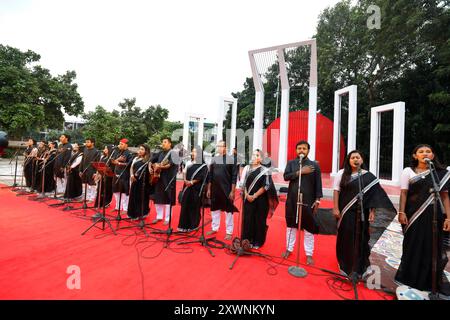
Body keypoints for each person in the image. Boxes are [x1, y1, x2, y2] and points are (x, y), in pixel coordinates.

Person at [395, 144, 450, 294]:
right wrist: (401, 212)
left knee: (432, 246)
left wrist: (448, 218)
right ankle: (410, 278)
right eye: (421, 151)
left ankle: (428, 280)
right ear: (415, 155)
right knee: (413, 244)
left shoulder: (440, 173)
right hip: (413, 216)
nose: (425, 153)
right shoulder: (408, 171)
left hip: (435, 215)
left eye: (428, 151)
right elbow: (404, 193)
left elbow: (445, 196)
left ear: (432, 155)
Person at [333, 150, 395, 278]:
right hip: (346, 212)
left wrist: (372, 210)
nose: (355, 159)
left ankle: (360, 266)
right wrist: (335, 208)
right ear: (348, 161)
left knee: (362, 237)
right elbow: (336, 191)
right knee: (346, 237)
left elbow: (374, 195)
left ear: (362, 160)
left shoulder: (369, 176)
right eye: (352, 158)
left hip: (362, 212)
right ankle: (346, 265)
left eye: (358, 157)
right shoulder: (342, 174)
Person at [282, 140, 322, 265]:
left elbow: (318, 184)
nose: (301, 151)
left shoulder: (314, 165)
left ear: (308, 150)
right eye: (299, 148)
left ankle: (309, 253)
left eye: (304, 148)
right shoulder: (291, 163)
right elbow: (286, 177)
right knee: (291, 225)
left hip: (308, 200)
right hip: (293, 200)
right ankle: (289, 248)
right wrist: (300, 172)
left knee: (309, 227)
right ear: (296, 150)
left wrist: (317, 200)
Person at [238, 149, 279, 249]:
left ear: (261, 159)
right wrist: (247, 195)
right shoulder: (247, 169)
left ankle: (257, 241)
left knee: (258, 220)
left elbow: (266, 186)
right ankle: (247, 240)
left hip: (260, 201)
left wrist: (254, 196)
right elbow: (243, 184)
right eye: (253, 155)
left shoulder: (265, 171)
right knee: (248, 219)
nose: (254, 157)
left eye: (257, 155)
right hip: (248, 199)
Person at [206, 140, 238, 240]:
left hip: (227, 189)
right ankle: (214, 228)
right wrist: (209, 189)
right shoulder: (214, 159)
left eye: (221, 146)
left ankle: (229, 231)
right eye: (218, 146)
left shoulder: (231, 159)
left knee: (228, 211)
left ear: (225, 148)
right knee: (214, 209)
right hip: (215, 189)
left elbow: (234, 176)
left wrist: (232, 191)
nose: (219, 148)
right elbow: (210, 175)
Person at [178, 146, 208, 232]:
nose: (192, 153)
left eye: (195, 152)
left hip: (196, 189)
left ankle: (193, 225)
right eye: (192, 151)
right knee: (185, 206)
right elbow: (184, 172)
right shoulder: (188, 163)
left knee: (193, 207)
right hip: (186, 187)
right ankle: (184, 226)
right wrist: (185, 180)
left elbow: (202, 176)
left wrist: (192, 182)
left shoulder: (203, 166)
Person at [150, 137, 178, 225]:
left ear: (170, 144)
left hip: (169, 179)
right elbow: (151, 161)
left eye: (165, 142)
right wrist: (151, 167)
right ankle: (159, 216)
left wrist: (160, 166)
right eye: (162, 142)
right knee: (158, 198)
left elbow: (169, 165)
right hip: (159, 178)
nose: (163, 144)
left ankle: (167, 218)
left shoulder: (174, 153)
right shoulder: (160, 153)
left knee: (167, 198)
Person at [127, 144, 153, 220]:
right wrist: (131, 175)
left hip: (143, 183)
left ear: (146, 151)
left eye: (142, 149)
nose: (140, 151)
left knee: (141, 198)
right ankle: (133, 214)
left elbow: (149, 169)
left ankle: (141, 214)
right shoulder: (135, 158)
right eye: (140, 149)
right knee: (133, 197)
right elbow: (131, 168)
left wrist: (150, 168)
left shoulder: (148, 160)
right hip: (134, 181)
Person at [110, 139, 133, 213]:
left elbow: (129, 164)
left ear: (126, 145)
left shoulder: (130, 154)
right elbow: (112, 161)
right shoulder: (117, 152)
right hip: (116, 173)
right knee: (116, 191)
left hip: (124, 175)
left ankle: (125, 208)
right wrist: (117, 160)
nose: (119, 145)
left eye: (121, 144)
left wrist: (119, 163)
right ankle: (118, 207)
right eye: (119, 144)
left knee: (124, 192)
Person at [94, 145, 114, 209]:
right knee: (100, 190)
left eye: (106, 148)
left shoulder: (111, 158)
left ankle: (106, 203)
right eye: (104, 148)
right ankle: (99, 203)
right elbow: (99, 166)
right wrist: (97, 174)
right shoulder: (103, 157)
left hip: (108, 177)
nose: (104, 150)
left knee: (107, 190)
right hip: (102, 175)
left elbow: (112, 168)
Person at [79, 138, 100, 202]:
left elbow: (97, 162)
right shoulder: (85, 150)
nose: (86, 143)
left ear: (92, 143)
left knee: (92, 185)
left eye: (88, 142)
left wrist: (95, 172)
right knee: (85, 184)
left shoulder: (96, 151)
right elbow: (82, 161)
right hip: (84, 170)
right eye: (86, 142)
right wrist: (80, 170)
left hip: (92, 171)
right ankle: (86, 197)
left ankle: (92, 198)